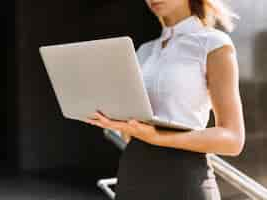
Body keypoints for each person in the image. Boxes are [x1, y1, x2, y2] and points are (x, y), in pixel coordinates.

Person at [85, 0, 246, 199]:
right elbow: (134, 132)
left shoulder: (213, 43)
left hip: (184, 181)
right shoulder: (143, 51)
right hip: (132, 177)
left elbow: (233, 140)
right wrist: (116, 120)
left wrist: (158, 137)